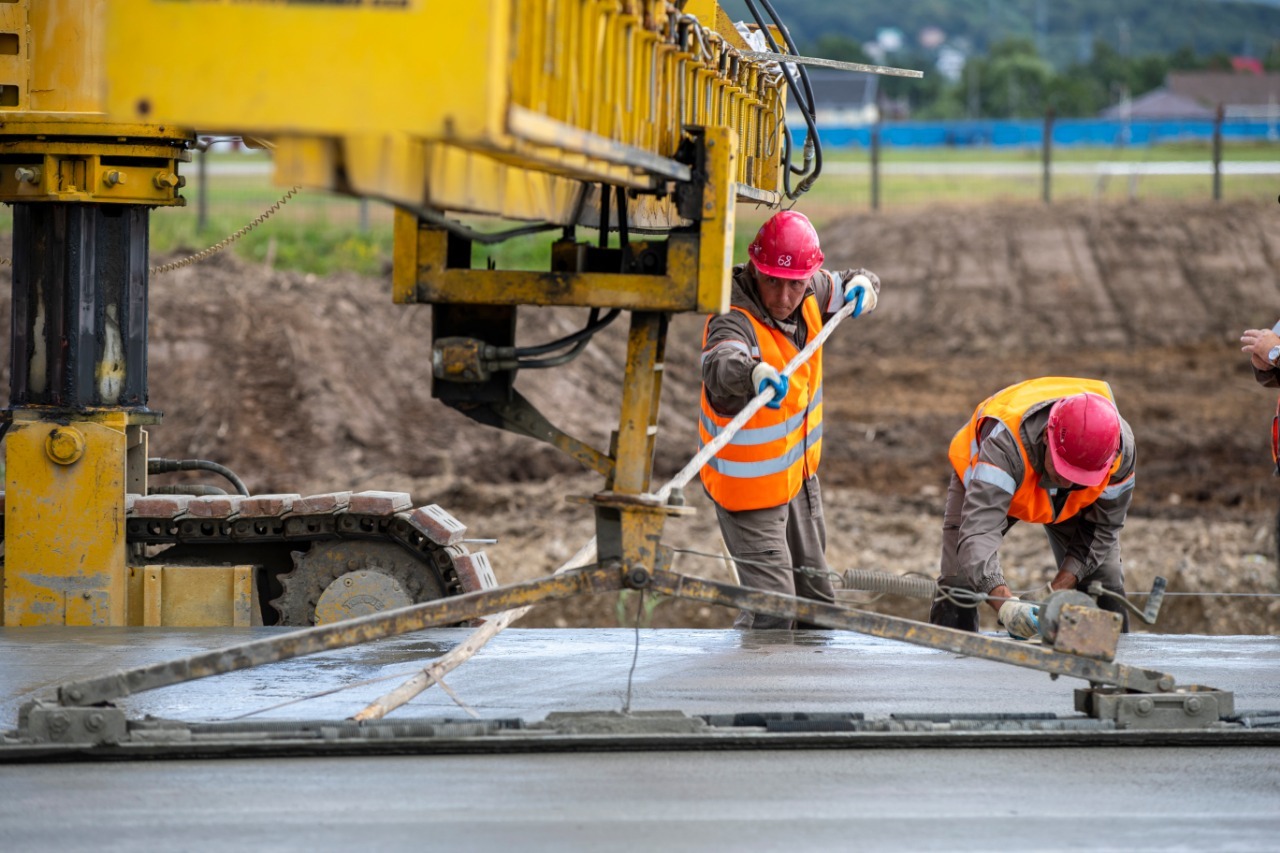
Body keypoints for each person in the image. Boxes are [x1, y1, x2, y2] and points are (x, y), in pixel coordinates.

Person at [699, 210, 881, 629]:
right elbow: (720, 362)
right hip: (748, 492)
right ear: (754, 270)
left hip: (796, 477)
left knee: (818, 609)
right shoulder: (732, 316)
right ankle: (756, 690)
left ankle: (808, 693)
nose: (783, 296)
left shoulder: (811, 288)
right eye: (771, 281)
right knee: (775, 613)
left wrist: (865, 287)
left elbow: (858, 279)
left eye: (795, 284)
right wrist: (752, 373)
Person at [928, 378, 1137, 638]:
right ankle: (950, 667)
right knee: (959, 578)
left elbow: (1103, 527)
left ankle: (1107, 666)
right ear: (1048, 438)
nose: (1070, 481)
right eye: (1065, 469)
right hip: (990, 483)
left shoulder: (1118, 450)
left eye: (1081, 475)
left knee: (1102, 578)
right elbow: (978, 533)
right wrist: (1006, 604)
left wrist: (1056, 591)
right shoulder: (1004, 447)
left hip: (1071, 504)